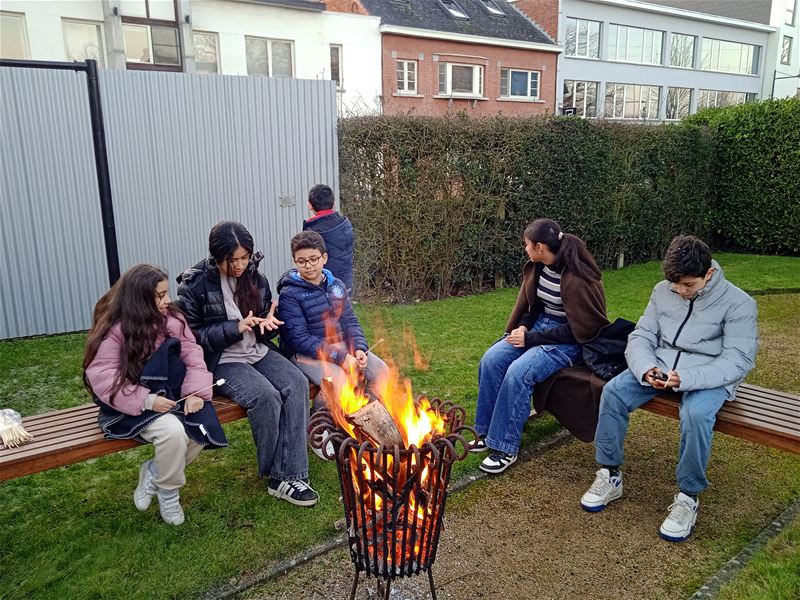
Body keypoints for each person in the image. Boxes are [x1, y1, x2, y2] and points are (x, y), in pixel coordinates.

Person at [580, 235, 758, 543]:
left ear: (710, 274)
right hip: (659, 367)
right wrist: (646, 368)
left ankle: (688, 496)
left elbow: (737, 360)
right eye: (675, 283)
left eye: (688, 284)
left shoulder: (740, 303)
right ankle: (610, 474)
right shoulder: (663, 291)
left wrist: (685, 379)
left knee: (697, 414)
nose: (679, 290)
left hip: (709, 377)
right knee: (613, 392)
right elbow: (642, 336)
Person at [175, 221, 318, 507]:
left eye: (245, 257)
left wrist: (270, 325)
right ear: (217, 257)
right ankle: (278, 474)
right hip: (221, 359)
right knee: (265, 396)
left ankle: (289, 475)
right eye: (233, 259)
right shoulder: (195, 284)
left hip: (256, 350)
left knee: (297, 383)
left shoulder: (256, 277)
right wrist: (234, 328)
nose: (240, 265)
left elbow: (264, 320)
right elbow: (189, 338)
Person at [83, 264, 228, 526]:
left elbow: (192, 353)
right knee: (173, 432)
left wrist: (195, 392)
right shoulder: (115, 329)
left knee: (201, 428)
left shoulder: (173, 319)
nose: (168, 300)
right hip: (129, 402)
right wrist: (147, 400)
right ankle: (170, 493)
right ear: (140, 298)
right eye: (160, 296)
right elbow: (104, 377)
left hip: (171, 392)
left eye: (166, 293)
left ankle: (154, 472)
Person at [474, 218, 609, 474]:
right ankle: (485, 432)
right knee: (491, 359)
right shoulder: (539, 267)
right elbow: (533, 305)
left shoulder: (577, 277)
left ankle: (504, 447)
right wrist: (524, 326)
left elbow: (579, 328)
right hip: (538, 329)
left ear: (539, 247)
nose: (524, 249)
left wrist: (531, 339)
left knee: (519, 373)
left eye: (526, 245)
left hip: (568, 341)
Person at [277, 230, 389, 456]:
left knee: (380, 370)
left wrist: (359, 348)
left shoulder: (335, 285)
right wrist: (339, 358)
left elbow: (350, 321)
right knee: (336, 380)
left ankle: (364, 418)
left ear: (324, 258)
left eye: (313, 259)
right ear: (294, 262)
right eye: (301, 261)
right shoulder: (290, 294)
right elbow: (299, 339)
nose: (308, 266)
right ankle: (319, 431)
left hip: (341, 347)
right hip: (306, 354)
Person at [303, 184, 354, 296]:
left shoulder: (311, 233)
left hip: (323, 289)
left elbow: (308, 264)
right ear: (333, 204)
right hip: (346, 285)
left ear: (310, 206)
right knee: (345, 312)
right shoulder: (345, 225)